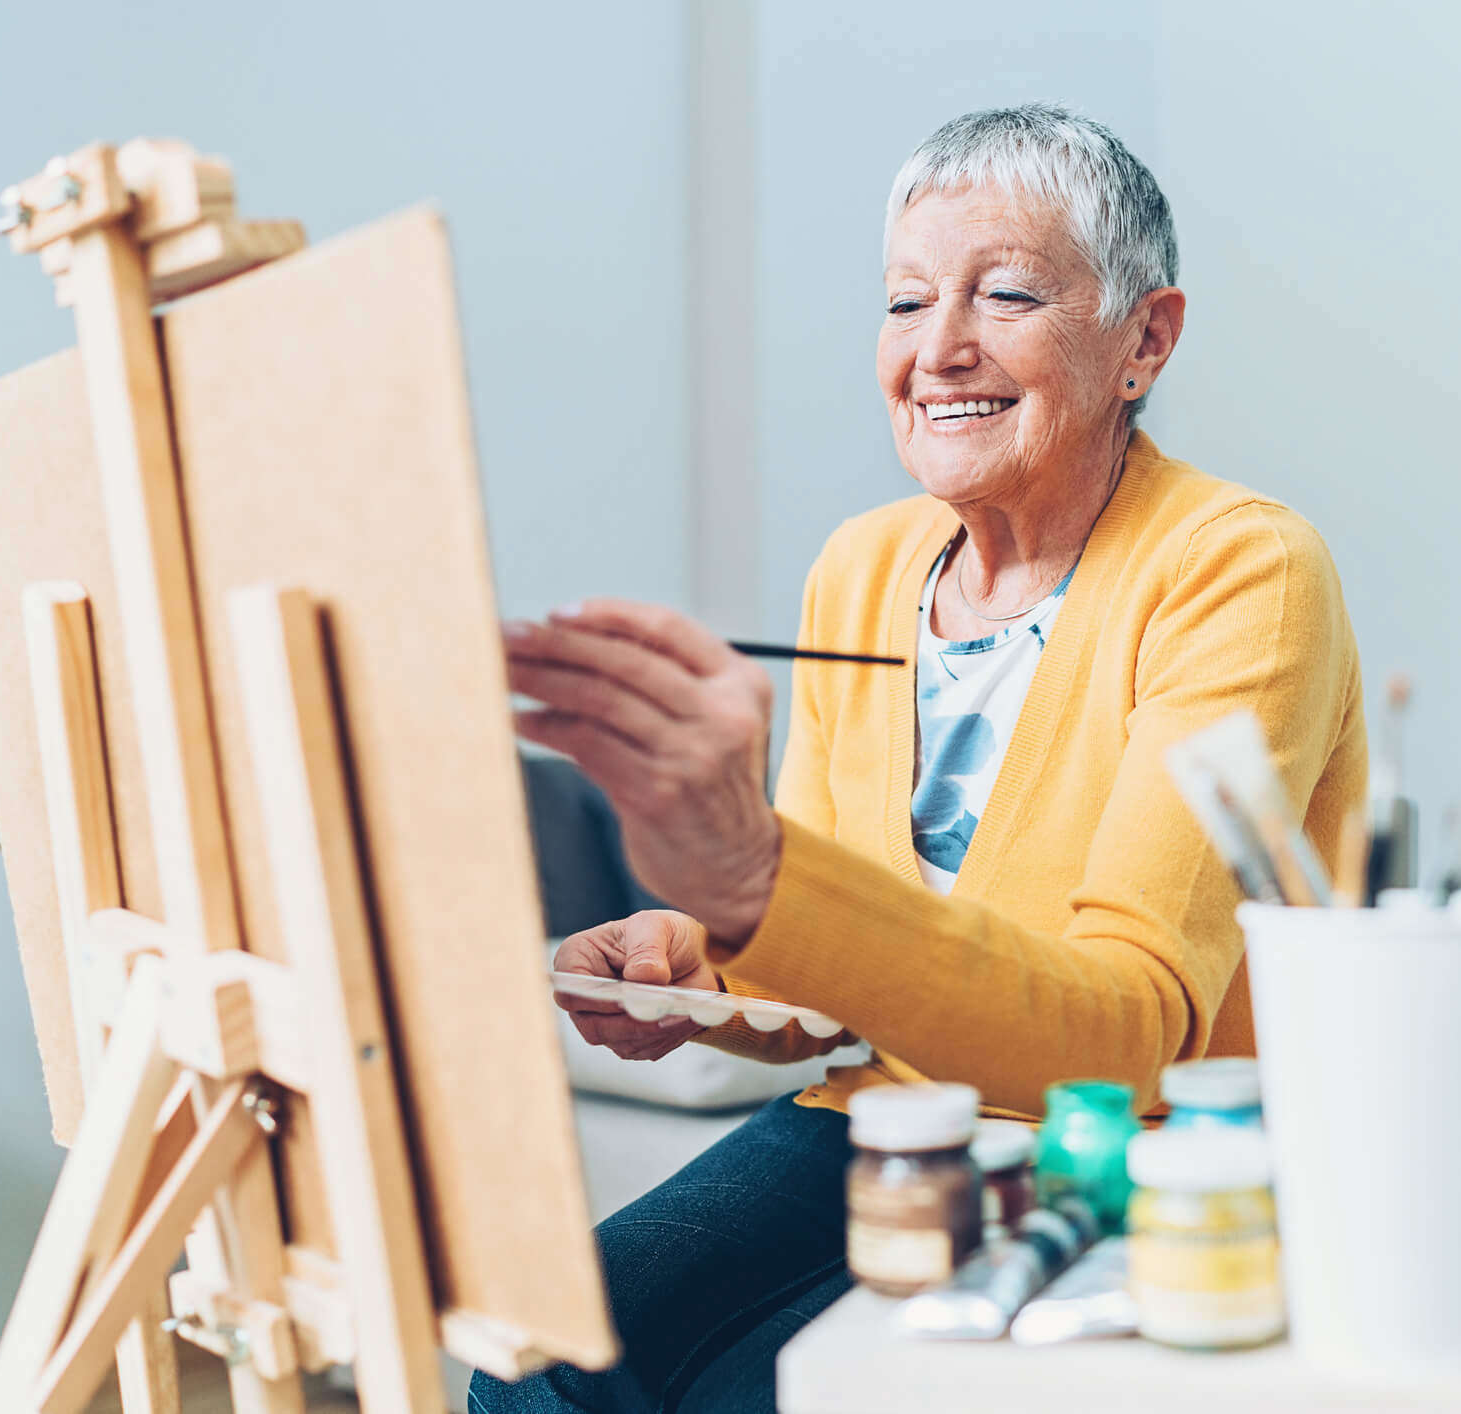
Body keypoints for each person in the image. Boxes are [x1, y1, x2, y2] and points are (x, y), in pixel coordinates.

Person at [472, 102, 1364, 1414]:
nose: (937, 348)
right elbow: (841, 944)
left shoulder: (1238, 568)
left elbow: (1118, 1041)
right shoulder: (863, 567)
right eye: (902, 302)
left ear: (1144, 340)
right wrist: (695, 951)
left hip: (1118, 1153)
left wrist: (754, 878)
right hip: (872, 1122)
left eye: (1002, 294)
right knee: (539, 1368)